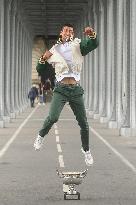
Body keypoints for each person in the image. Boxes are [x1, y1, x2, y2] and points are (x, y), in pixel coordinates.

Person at [34, 23, 99, 166]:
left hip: (75, 89)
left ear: (73, 34)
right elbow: (40, 68)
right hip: (61, 89)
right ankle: (40, 136)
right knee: (53, 117)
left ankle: (86, 151)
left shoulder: (78, 45)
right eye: (66, 30)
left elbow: (93, 44)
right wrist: (43, 59)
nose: (68, 32)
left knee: (84, 123)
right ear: (61, 33)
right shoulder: (55, 49)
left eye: (71, 31)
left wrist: (91, 34)